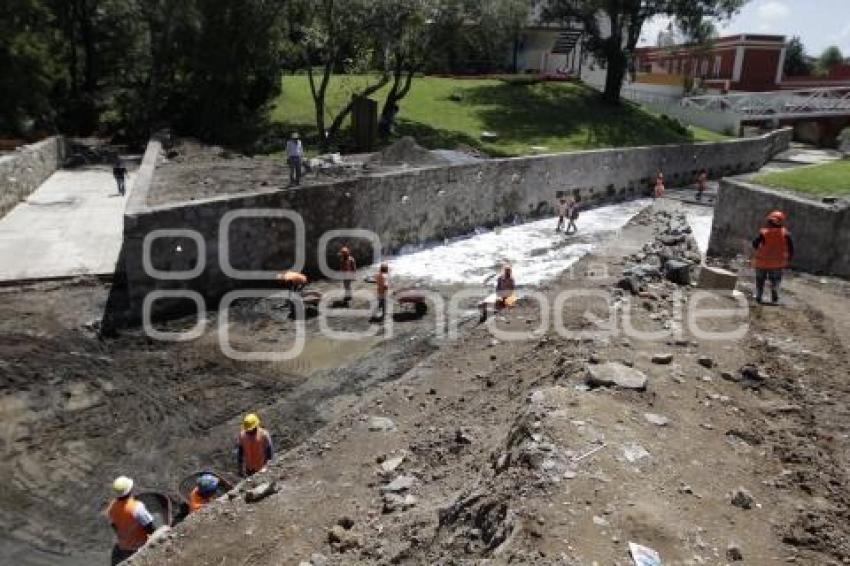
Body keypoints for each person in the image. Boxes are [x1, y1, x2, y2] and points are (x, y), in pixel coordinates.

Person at [106, 476, 155, 564]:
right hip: (140, 544)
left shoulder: (111, 508)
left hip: (124, 545)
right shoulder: (137, 507)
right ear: (130, 490)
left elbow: (115, 527)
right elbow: (150, 528)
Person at [752, 210, 794, 304]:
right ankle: (774, 293)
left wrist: (759, 249)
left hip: (761, 262)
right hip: (777, 263)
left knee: (760, 280)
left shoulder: (764, 232)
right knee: (775, 280)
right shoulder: (785, 234)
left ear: (769, 221)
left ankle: (759, 295)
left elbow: (755, 244)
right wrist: (789, 259)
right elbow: (791, 248)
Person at [236, 413, 273, 477]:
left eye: (251, 429)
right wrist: (240, 468)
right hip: (249, 468)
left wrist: (268, 466)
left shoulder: (264, 435)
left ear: (256, 426)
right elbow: (240, 453)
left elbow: (269, 452)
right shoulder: (242, 436)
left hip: (262, 468)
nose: (249, 431)